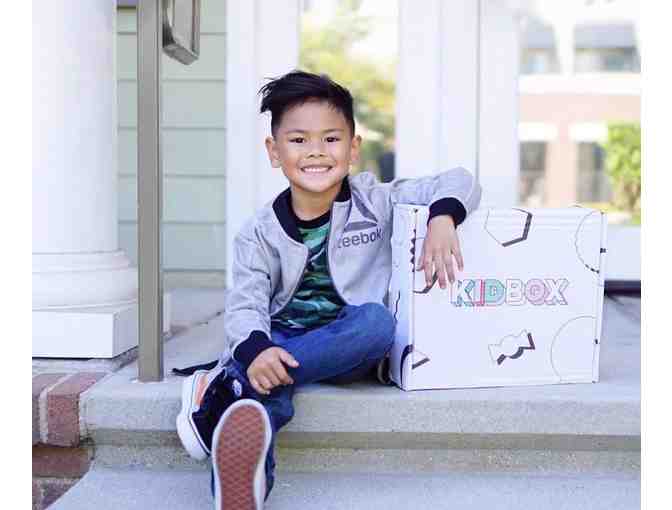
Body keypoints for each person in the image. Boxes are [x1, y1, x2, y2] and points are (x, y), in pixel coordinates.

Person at [175, 70, 482, 509]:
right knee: (266, 392)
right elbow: (245, 307)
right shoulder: (258, 234)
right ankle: (244, 488)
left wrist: (442, 216)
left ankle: (230, 387)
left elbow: (460, 179)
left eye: (331, 139)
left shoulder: (373, 201)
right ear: (274, 151)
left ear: (353, 148)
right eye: (298, 140)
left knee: (377, 323)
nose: (316, 151)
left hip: (348, 343)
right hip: (280, 340)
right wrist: (256, 351)